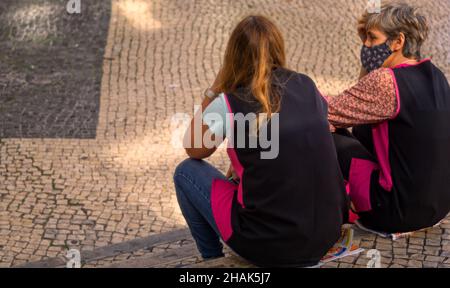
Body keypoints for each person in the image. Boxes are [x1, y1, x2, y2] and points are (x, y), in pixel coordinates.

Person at [173, 15, 348, 267]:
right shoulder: (307, 86)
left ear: (233, 57)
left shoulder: (230, 101)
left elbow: (193, 147)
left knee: (186, 172)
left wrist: (214, 90)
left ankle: (212, 260)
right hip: (325, 234)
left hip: (268, 242)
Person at [326, 2, 450, 233]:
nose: (365, 45)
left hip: (394, 211)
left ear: (397, 42)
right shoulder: (437, 76)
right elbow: (356, 106)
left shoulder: (386, 81)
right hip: (438, 206)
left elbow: (328, 112)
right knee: (363, 127)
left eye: (372, 38)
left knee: (323, 133)